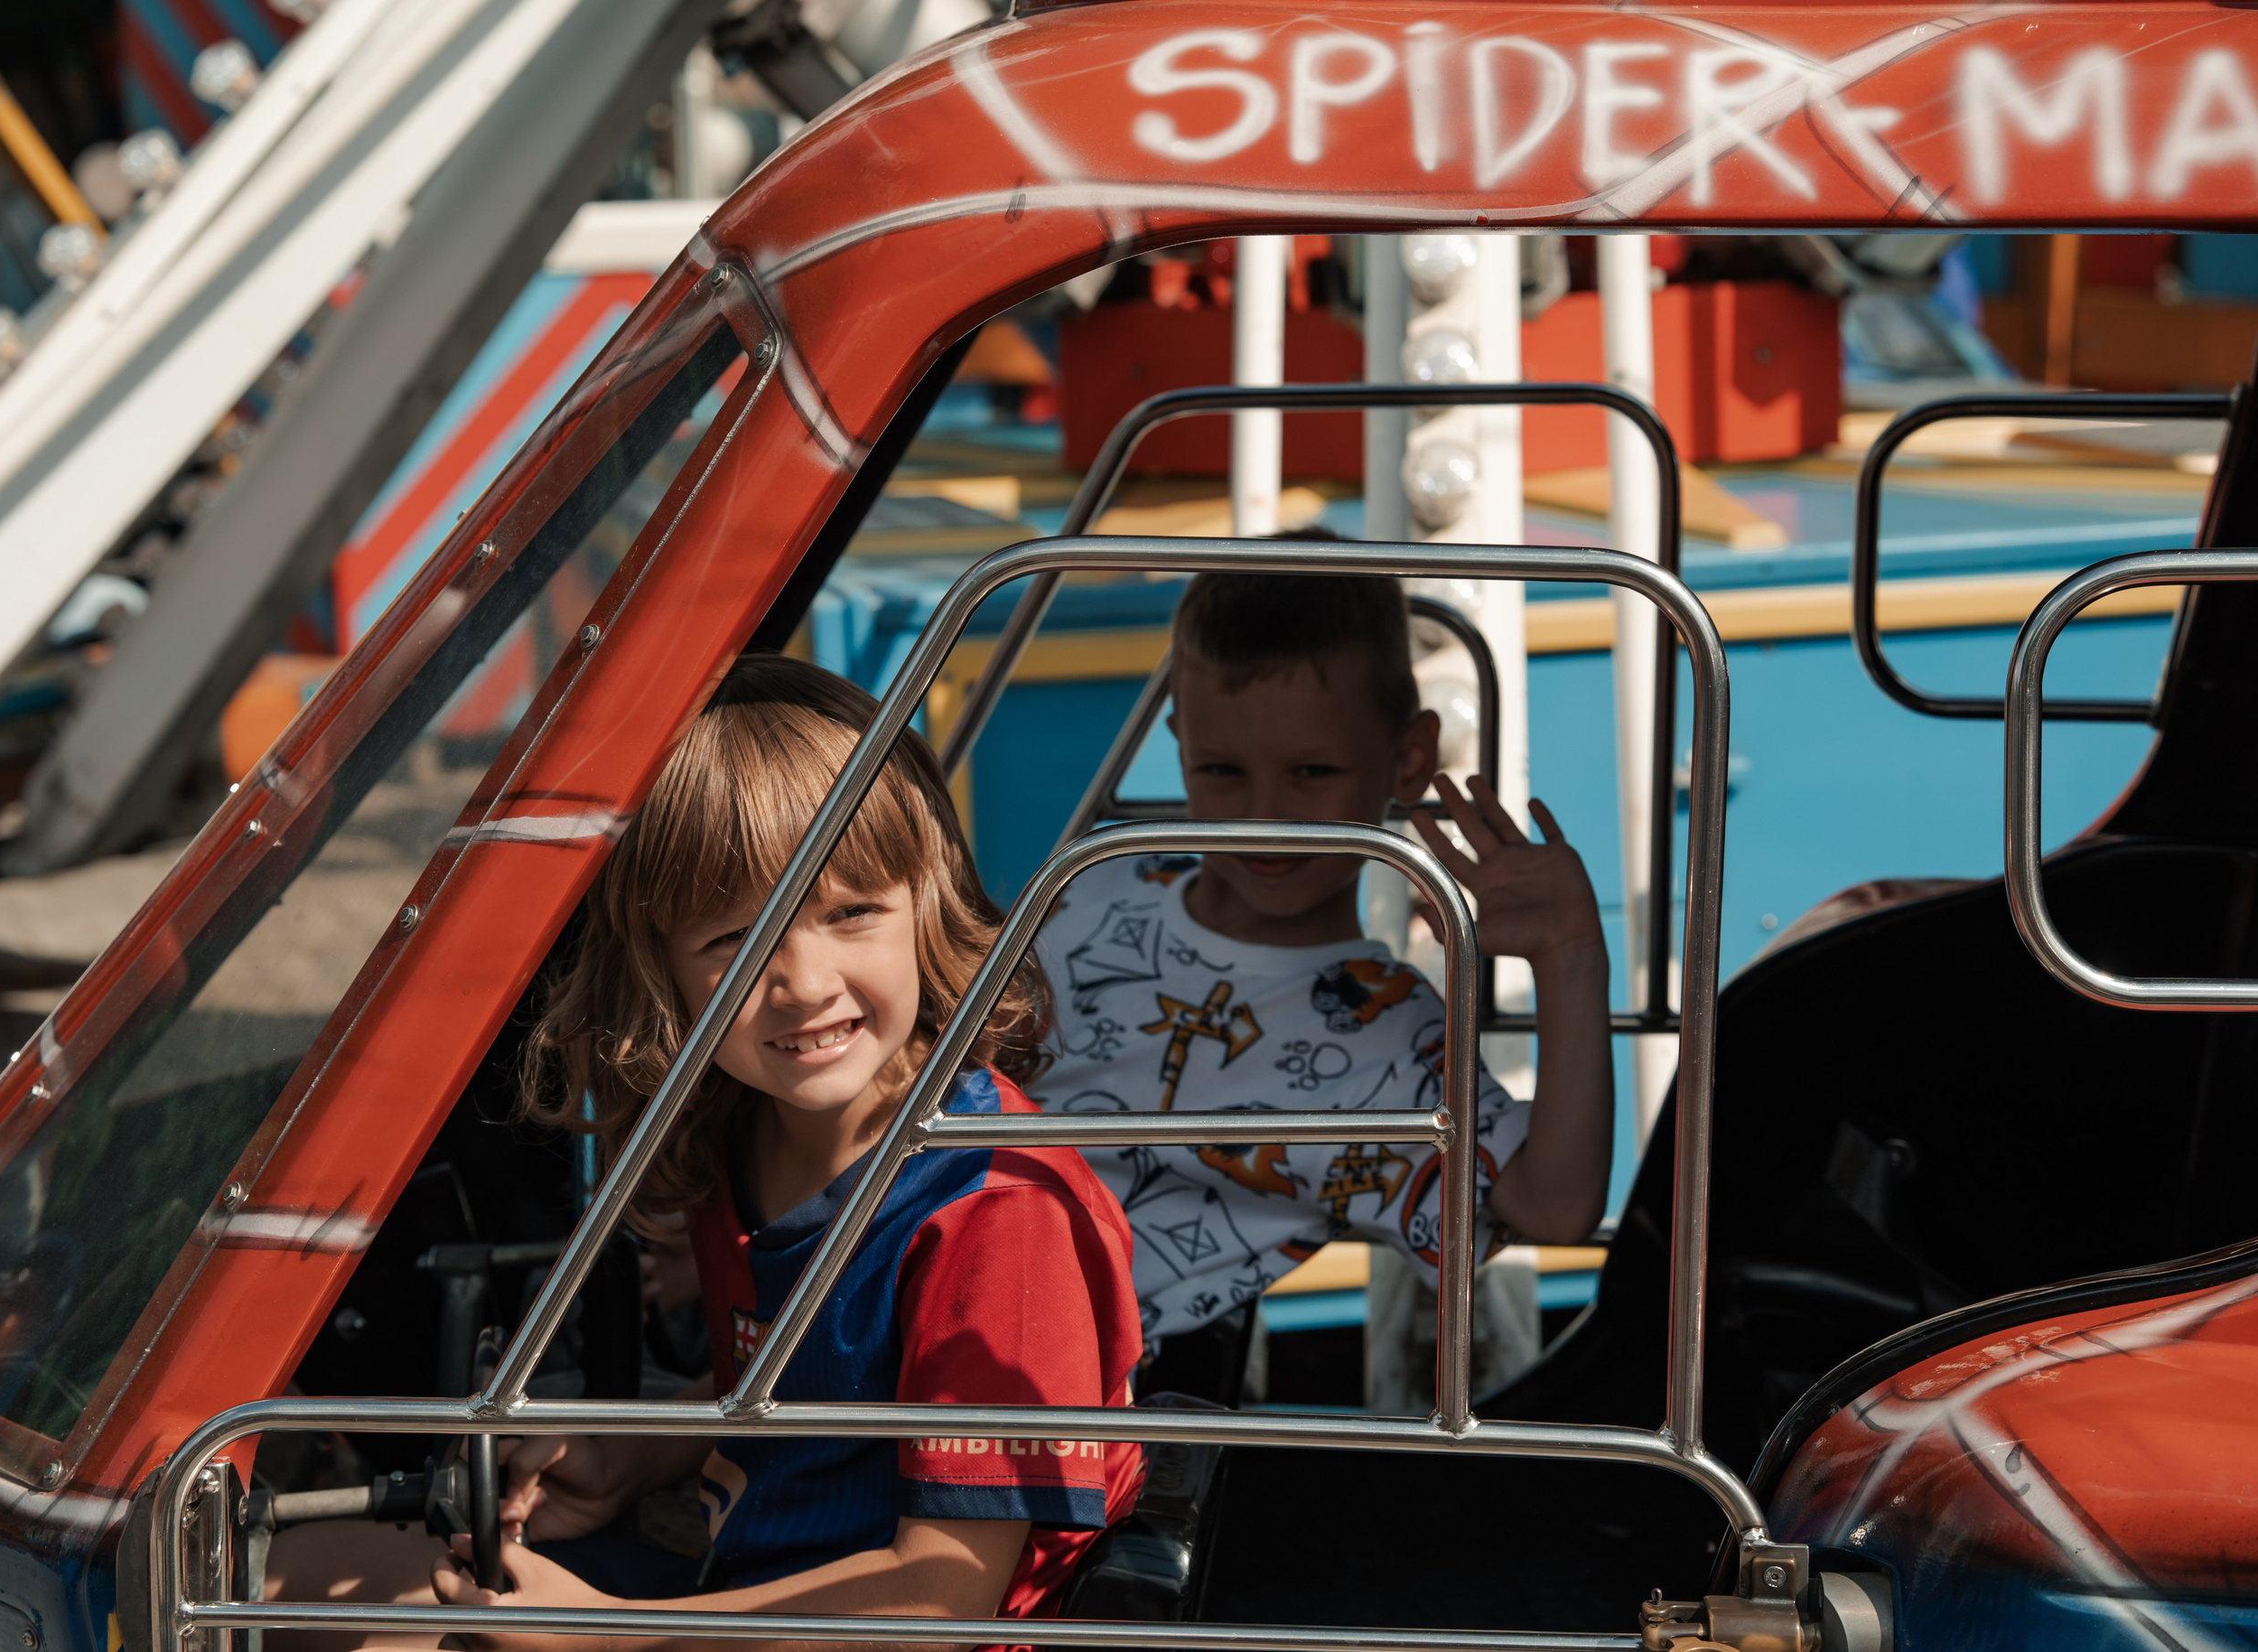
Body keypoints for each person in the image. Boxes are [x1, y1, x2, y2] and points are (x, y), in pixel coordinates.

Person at [267, 656, 1143, 1651]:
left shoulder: (997, 1211)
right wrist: (629, 1460)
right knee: (294, 1577)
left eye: (850, 911)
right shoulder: (746, 1140)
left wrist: (609, 1633)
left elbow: (943, 1595)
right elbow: (800, 1394)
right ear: (662, 972)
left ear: (927, 906)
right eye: (736, 936)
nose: (804, 981)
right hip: (742, 1592)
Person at [1024, 572, 1613, 1386]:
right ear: (1179, 742)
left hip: (1078, 1380)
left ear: (1407, 759)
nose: (1266, 814)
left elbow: (1554, 1206)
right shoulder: (1096, 888)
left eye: (1310, 773)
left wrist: (1571, 962)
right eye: (1224, 772)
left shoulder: (1390, 1040)